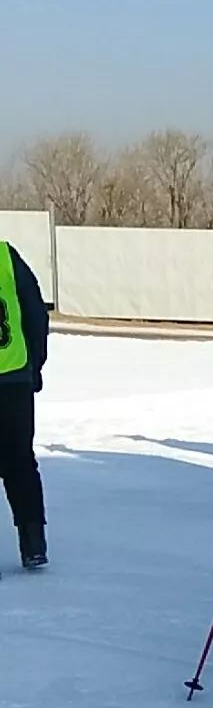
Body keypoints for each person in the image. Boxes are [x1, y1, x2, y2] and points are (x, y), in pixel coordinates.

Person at [0, 238, 49, 571]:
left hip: (15, 376)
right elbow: (35, 314)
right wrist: (35, 366)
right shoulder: (6, 256)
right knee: (20, 461)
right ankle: (33, 544)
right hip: (14, 376)